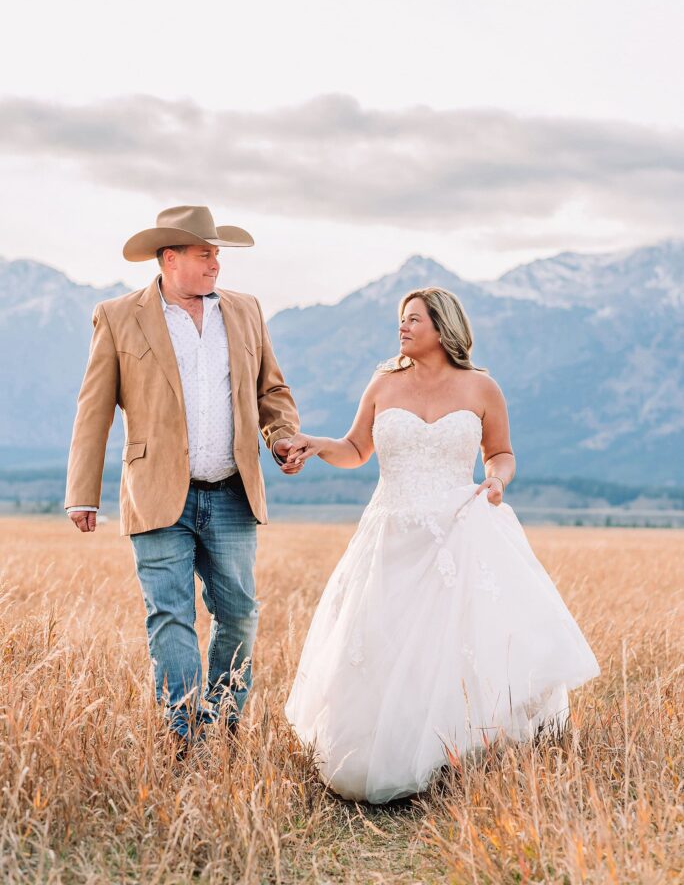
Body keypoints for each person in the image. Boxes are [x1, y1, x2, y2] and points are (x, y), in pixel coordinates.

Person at [282, 287, 600, 804]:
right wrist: (318, 446)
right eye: (401, 320)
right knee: (383, 643)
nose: (402, 328)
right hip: (391, 534)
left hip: (460, 530)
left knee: (458, 646)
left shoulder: (482, 388)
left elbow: (500, 453)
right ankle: (384, 755)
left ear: (443, 326)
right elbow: (356, 448)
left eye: (413, 320)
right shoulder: (384, 382)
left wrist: (497, 481)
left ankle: (461, 762)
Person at [65, 205, 302, 752]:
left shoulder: (246, 311)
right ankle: (183, 739)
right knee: (170, 616)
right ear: (170, 259)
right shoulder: (119, 316)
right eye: (205, 253)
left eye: (218, 253)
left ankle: (223, 727)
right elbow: (94, 409)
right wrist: (83, 494)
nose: (216, 262)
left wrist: (282, 436)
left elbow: (272, 392)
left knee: (239, 614)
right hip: (155, 493)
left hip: (232, 493)